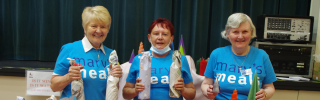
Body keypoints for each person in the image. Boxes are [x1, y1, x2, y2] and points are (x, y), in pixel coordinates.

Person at [50, 6, 122, 100]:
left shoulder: (111, 55)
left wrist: (118, 76)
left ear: (108, 30)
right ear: (85, 28)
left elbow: (114, 90)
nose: (99, 31)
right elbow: (54, 87)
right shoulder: (69, 49)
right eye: (94, 26)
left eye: (103, 27)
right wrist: (68, 77)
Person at [201, 13, 277, 100]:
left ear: (251, 32)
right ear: (228, 33)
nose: (240, 36)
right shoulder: (216, 54)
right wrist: (208, 91)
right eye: (235, 32)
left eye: (245, 31)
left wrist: (265, 94)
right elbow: (205, 84)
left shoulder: (262, 56)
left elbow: (270, 87)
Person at [123, 18, 196, 100]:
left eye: (165, 34)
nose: (160, 37)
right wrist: (135, 91)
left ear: (171, 39)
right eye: (156, 34)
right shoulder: (139, 59)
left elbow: (192, 95)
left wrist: (183, 90)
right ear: (149, 37)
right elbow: (125, 94)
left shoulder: (180, 59)